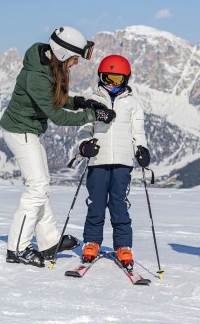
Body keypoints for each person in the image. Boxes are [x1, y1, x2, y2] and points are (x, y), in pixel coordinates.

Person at [1, 26, 117, 267]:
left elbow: (57, 99)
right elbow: (57, 116)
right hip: (20, 131)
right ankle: (17, 248)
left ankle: (48, 242)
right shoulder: (37, 75)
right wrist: (93, 116)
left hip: (29, 131)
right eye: (74, 58)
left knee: (41, 187)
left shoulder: (47, 65)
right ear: (63, 54)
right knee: (37, 187)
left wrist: (80, 102)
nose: (75, 63)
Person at [75, 54, 150, 271]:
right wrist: (84, 146)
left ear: (125, 79)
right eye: (107, 78)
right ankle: (92, 242)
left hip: (123, 162)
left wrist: (141, 149)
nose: (111, 83)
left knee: (119, 204)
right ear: (100, 76)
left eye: (116, 79)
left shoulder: (133, 104)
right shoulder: (92, 99)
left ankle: (123, 245)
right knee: (96, 203)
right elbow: (84, 128)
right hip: (97, 160)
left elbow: (138, 132)